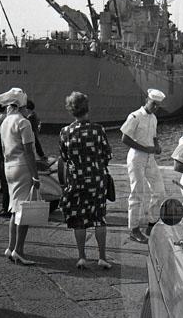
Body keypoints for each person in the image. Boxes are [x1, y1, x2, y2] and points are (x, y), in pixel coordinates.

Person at [59, 91, 113, 270]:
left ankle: (82, 257)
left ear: (71, 110)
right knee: (99, 218)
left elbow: (64, 157)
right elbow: (107, 154)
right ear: (87, 108)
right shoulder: (98, 130)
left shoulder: (65, 132)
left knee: (79, 219)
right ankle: (102, 257)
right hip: (97, 179)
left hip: (77, 179)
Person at [0, 87, 40, 265]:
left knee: (14, 208)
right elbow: (29, 151)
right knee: (24, 211)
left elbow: (3, 148)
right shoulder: (23, 123)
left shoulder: (5, 121)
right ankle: (18, 250)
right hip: (22, 167)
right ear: (21, 105)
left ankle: (10, 246)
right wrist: (35, 176)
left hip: (9, 167)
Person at [120, 88, 166, 244]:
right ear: (147, 100)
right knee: (137, 192)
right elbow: (125, 138)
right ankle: (134, 230)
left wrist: (157, 146)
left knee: (159, 190)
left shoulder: (153, 118)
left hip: (150, 158)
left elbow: (154, 136)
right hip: (136, 158)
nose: (155, 107)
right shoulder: (135, 116)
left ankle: (152, 224)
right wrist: (145, 148)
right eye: (153, 104)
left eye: (158, 105)